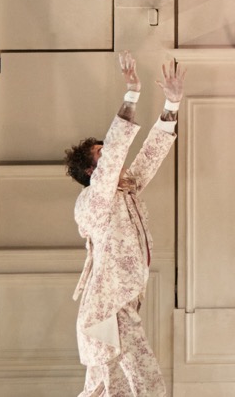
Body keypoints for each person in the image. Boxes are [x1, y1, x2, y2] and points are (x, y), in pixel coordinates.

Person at [65, 53, 186, 396]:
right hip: (108, 309)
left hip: (118, 304)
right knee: (145, 384)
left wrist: (172, 104)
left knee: (107, 390)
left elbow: (151, 155)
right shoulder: (93, 200)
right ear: (91, 171)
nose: (112, 156)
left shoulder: (124, 189)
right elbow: (116, 151)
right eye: (101, 155)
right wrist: (131, 94)